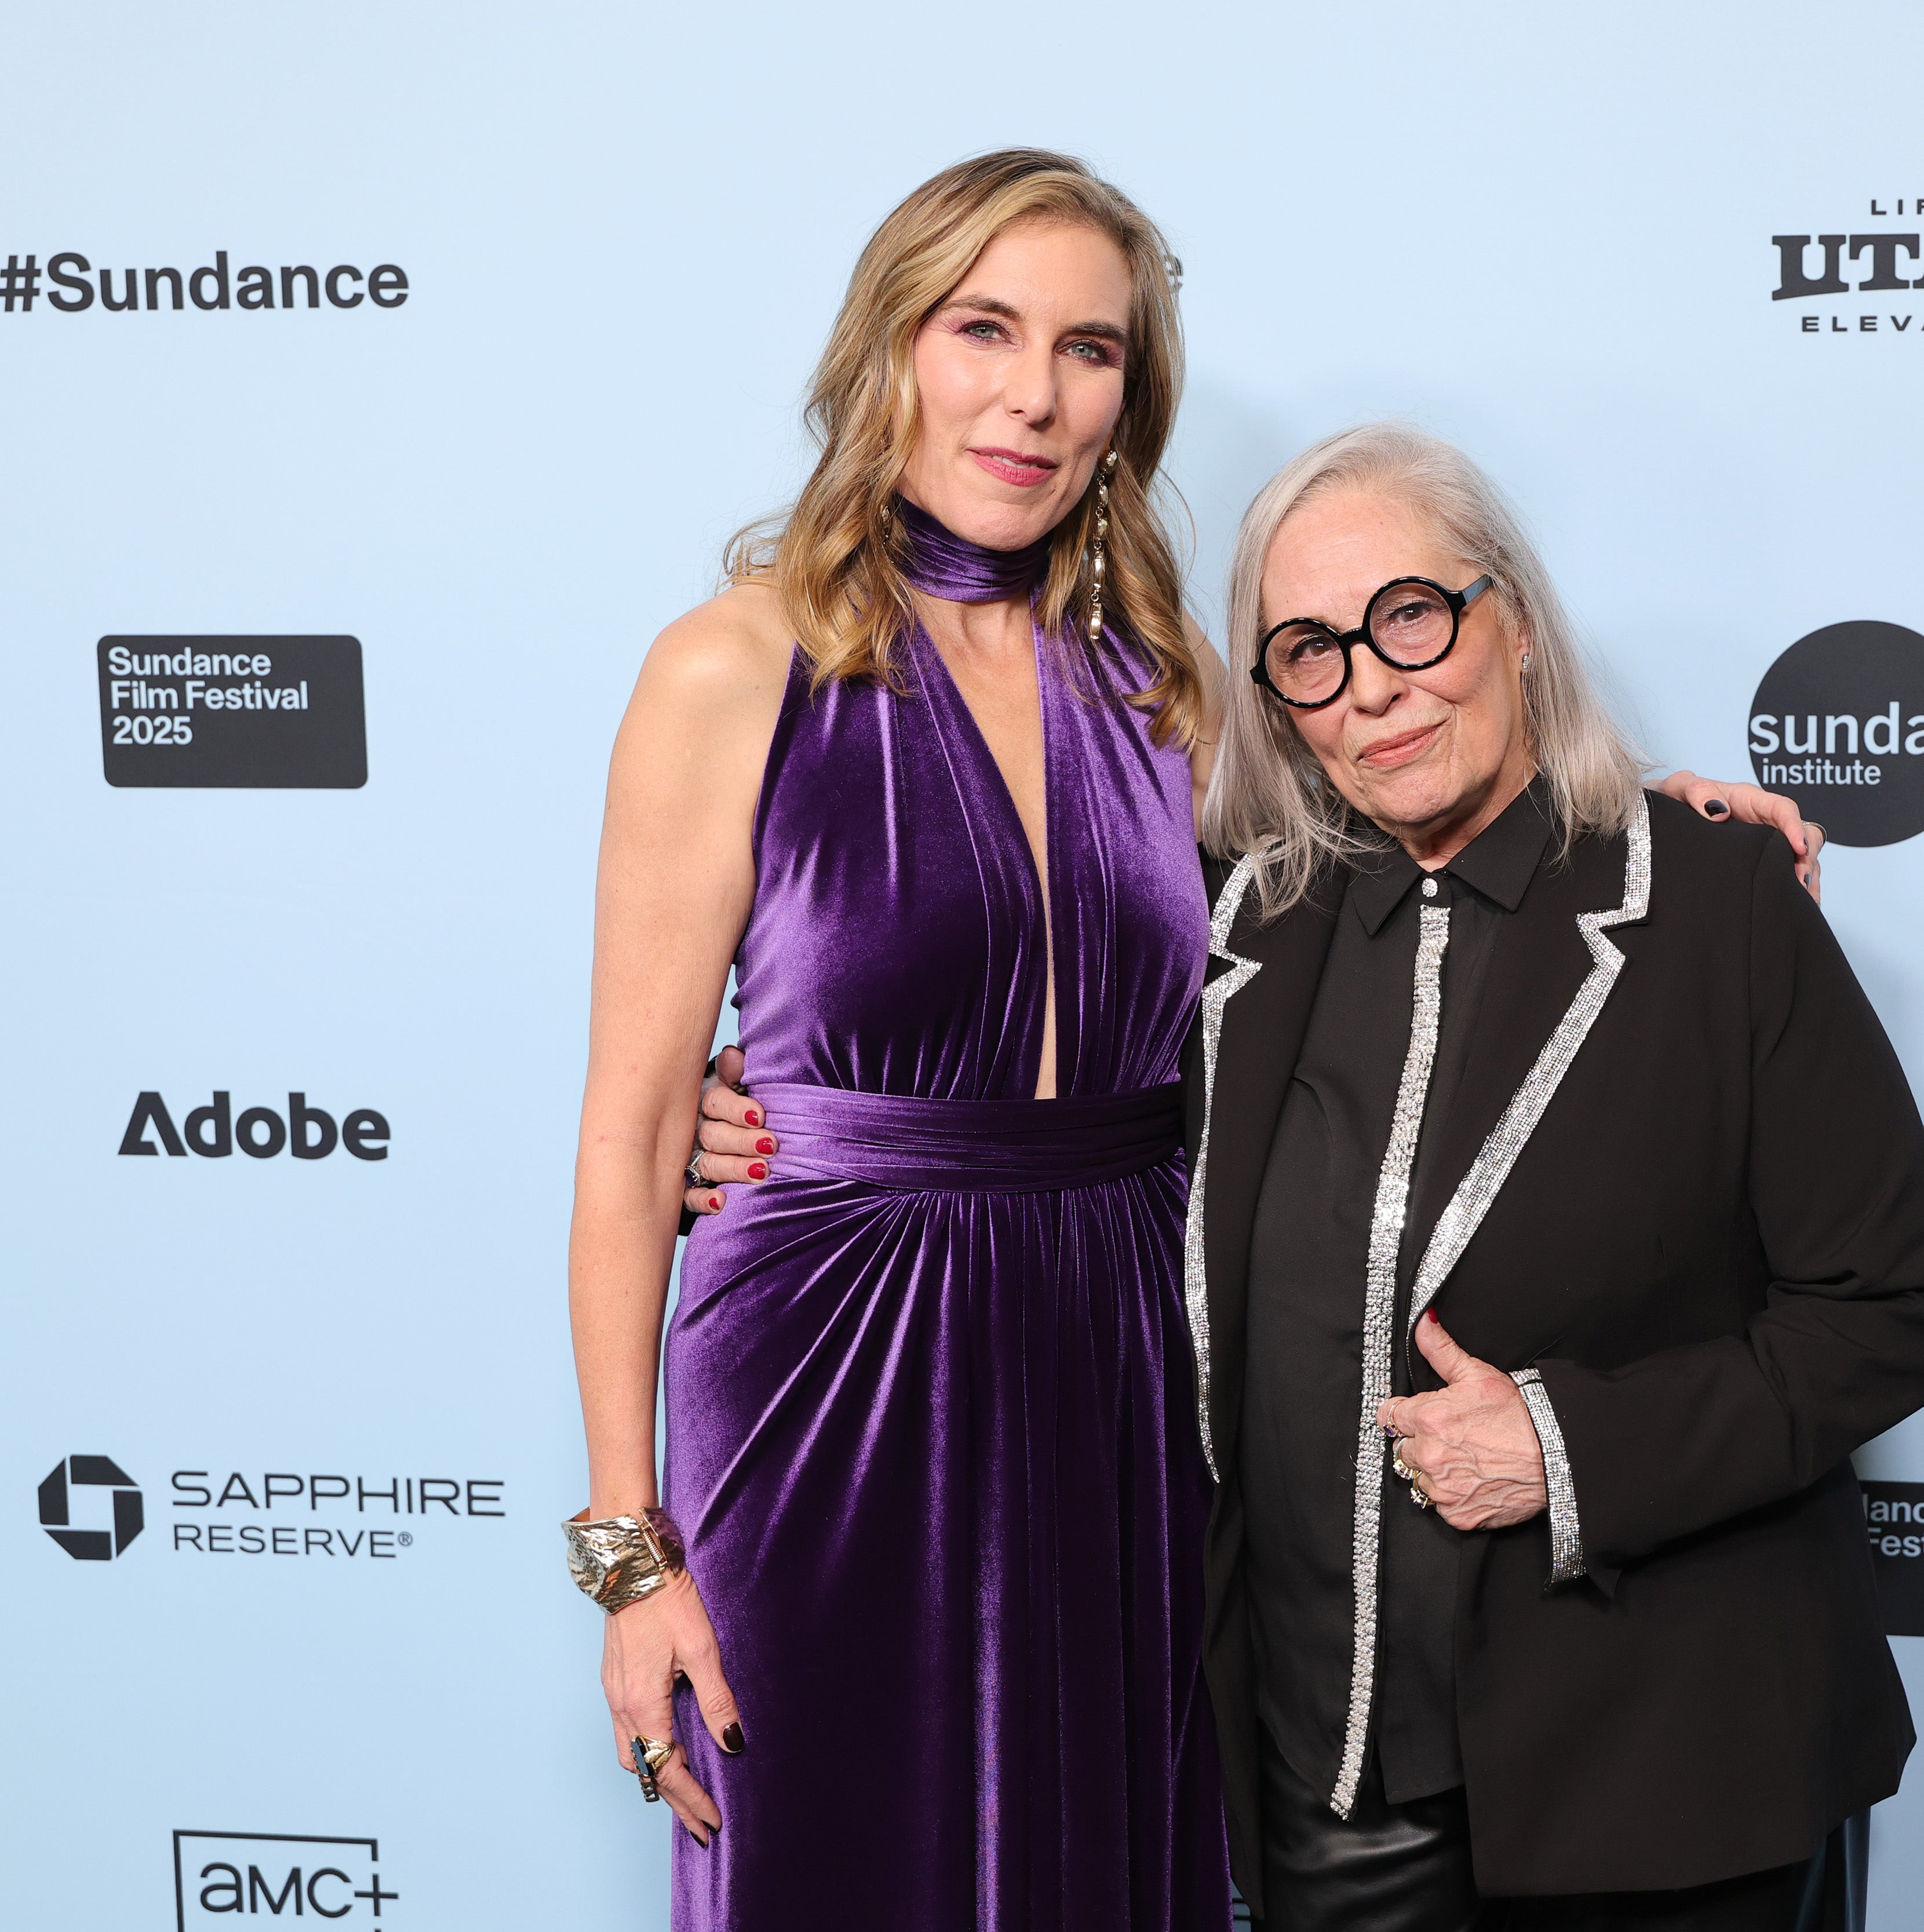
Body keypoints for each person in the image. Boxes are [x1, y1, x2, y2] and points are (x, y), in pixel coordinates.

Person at [568, 151, 1808, 1930]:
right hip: (828, 1369)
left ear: (1128, 401)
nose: (1032, 392)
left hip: (1132, 1359)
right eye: (982, 328)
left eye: (1088, 349)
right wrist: (629, 1560)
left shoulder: (1179, 692)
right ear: (889, 348)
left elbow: (1445, 828)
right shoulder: (736, 667)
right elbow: (624, 1143)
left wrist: (1658, 825)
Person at [1180, 424, 1924, 1929]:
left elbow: (1889, 1315)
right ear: (1281, 705)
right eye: (1309, 651)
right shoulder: (1234, 938)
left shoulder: (1716, 900)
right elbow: (1008, 1138)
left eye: (1412, 614)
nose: (1376, 684)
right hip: (1318, 1797)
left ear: (1513, 621)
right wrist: (743, 1113)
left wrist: (1568, 1449)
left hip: (1663, 1783)